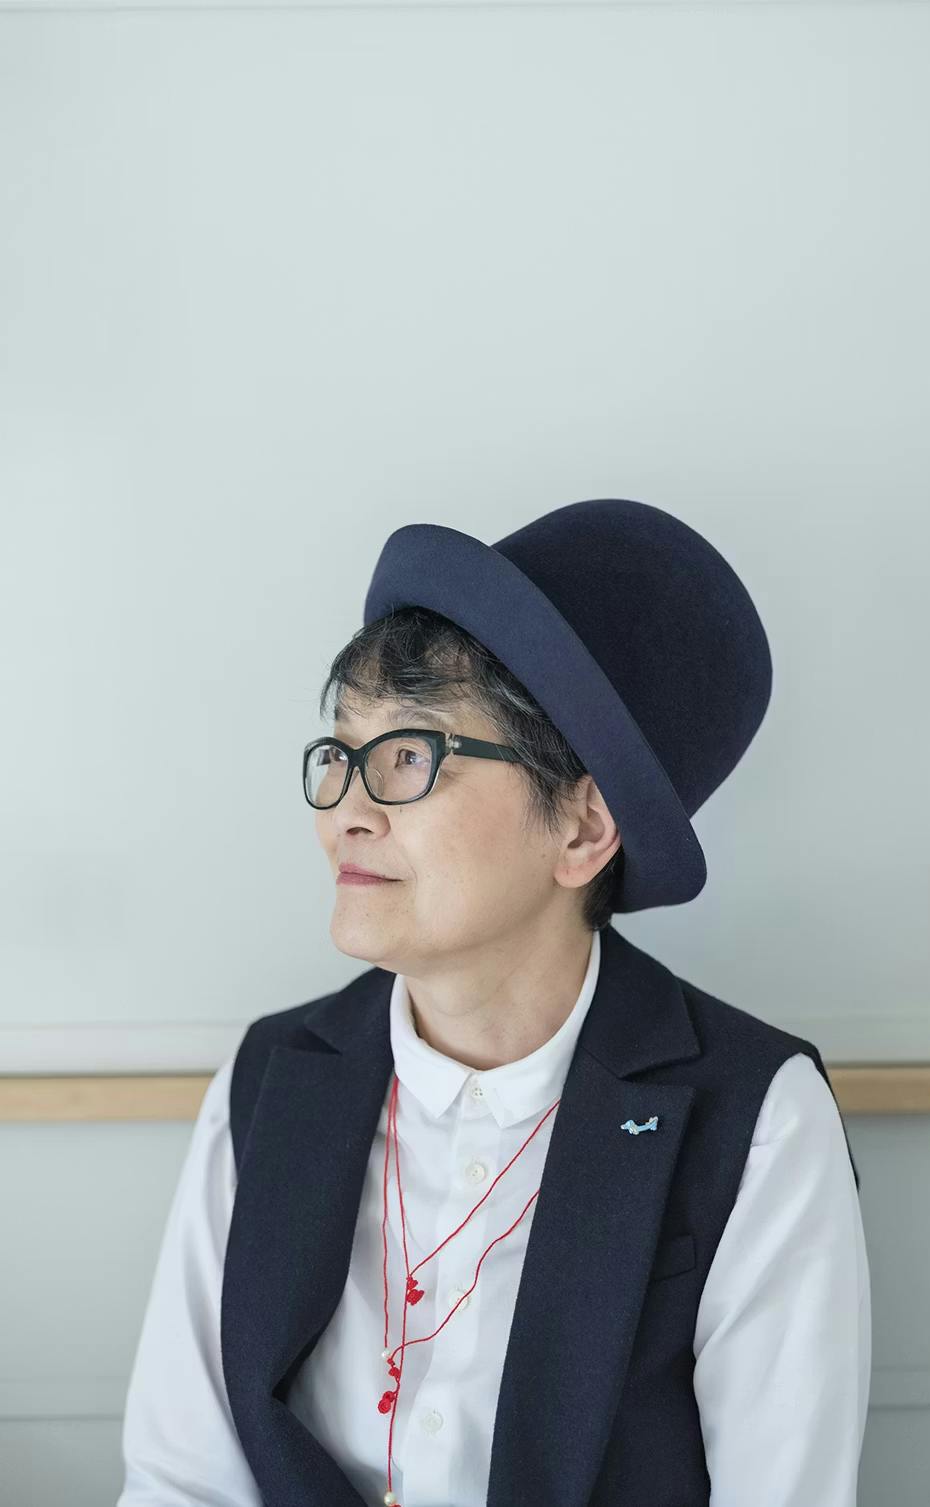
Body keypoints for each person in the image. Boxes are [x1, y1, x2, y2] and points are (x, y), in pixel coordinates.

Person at [117, 497, 871, 1507]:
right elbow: (180, 1483)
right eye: (341, 753)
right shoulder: (265, 1085)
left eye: (408, 756)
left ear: (583, 827)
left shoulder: (758, 1119)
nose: (347, 813)